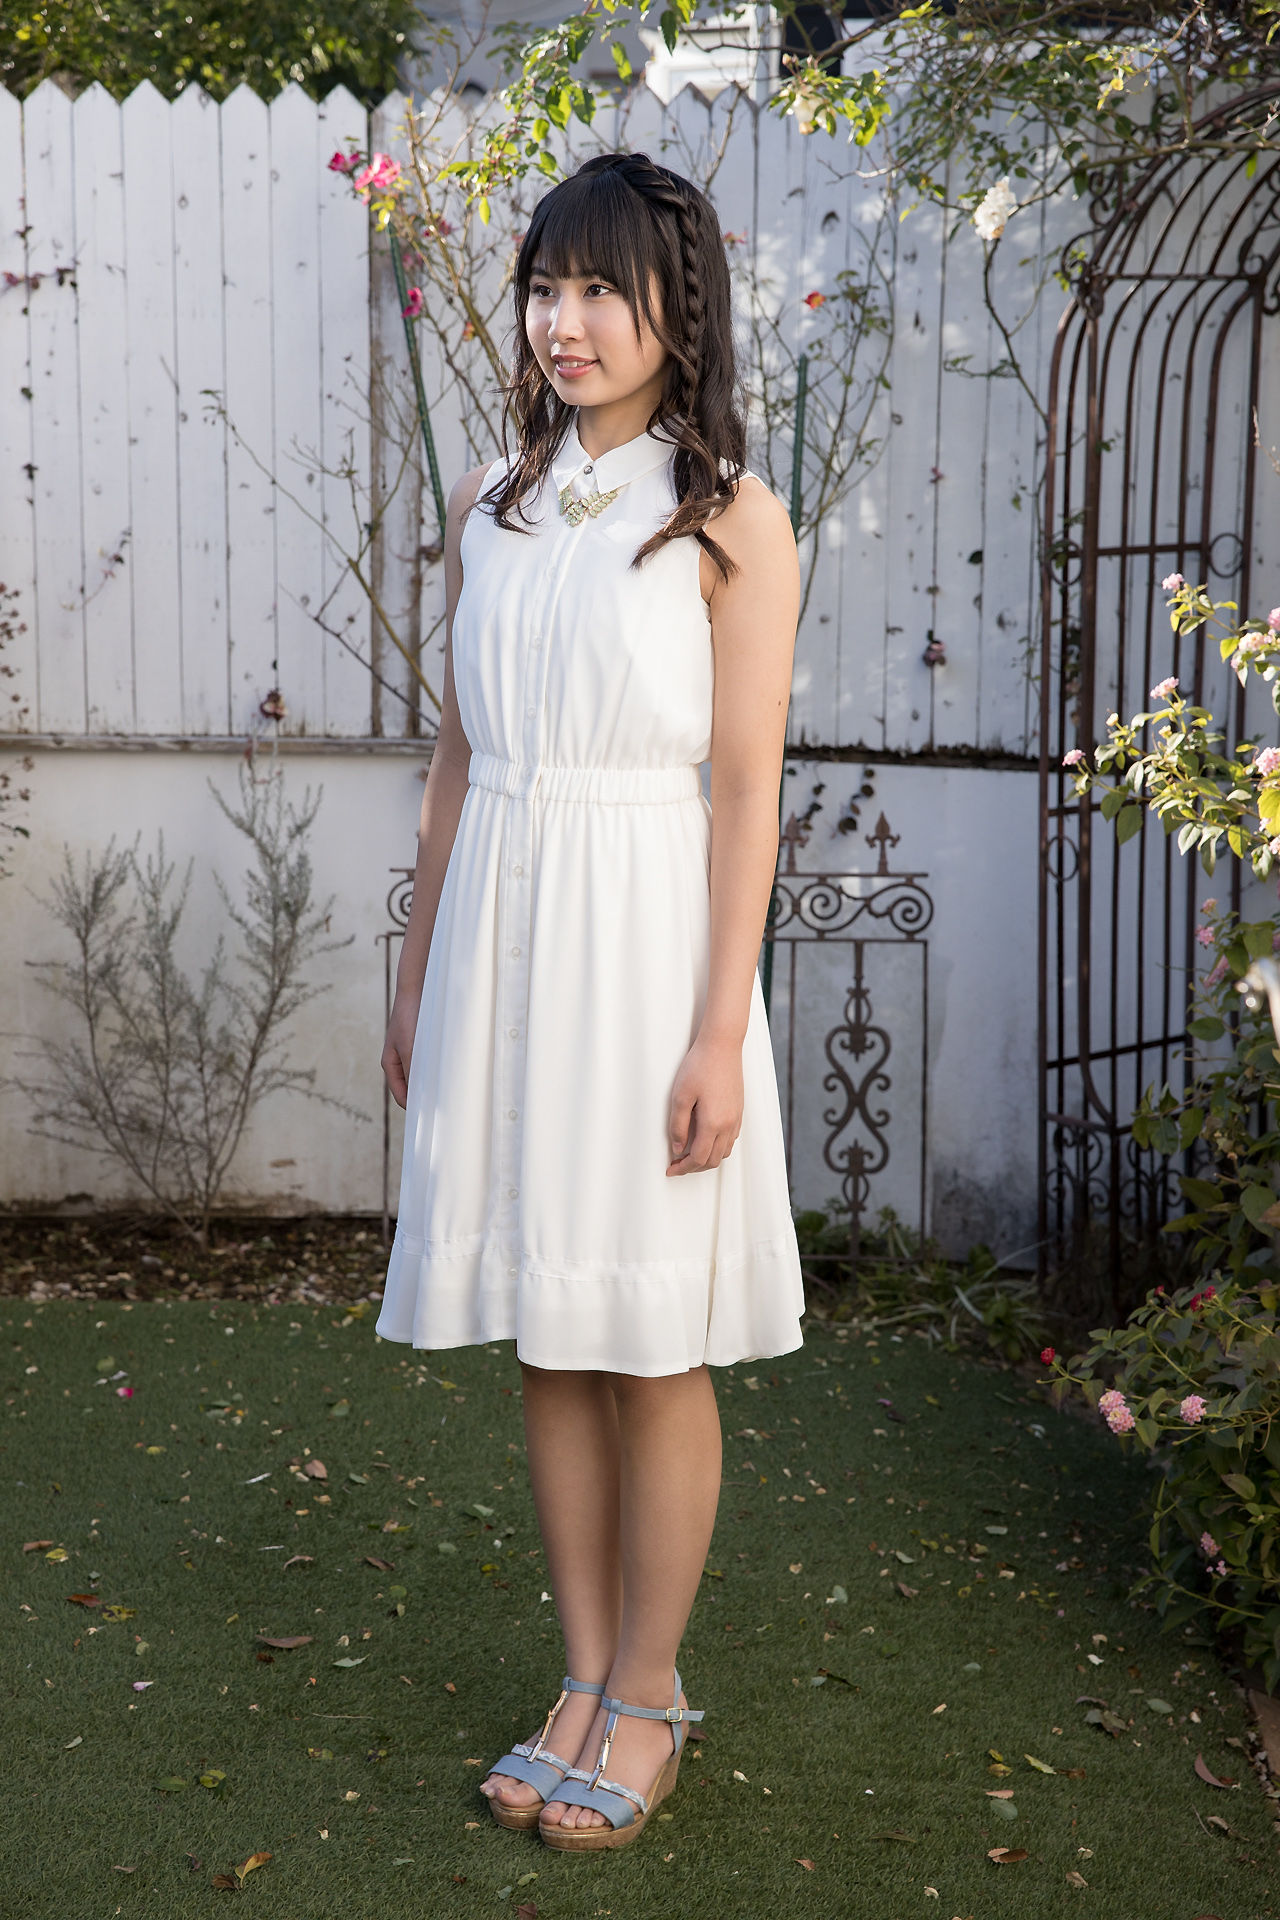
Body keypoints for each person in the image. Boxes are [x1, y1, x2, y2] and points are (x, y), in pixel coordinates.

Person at [374, 149, 805, 1852]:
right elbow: (457, 756)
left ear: (674, 309)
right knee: (549, 1330)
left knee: (648, 1336)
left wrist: (717, 1031)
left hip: (645, 955)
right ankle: (579, 1679)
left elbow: (747, 791)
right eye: (546, 287)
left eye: (602, 290)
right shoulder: (493, 497)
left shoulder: (729, 517)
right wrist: (417, 973)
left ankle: (651, 1692)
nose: (566, 321)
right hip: (501, 940)